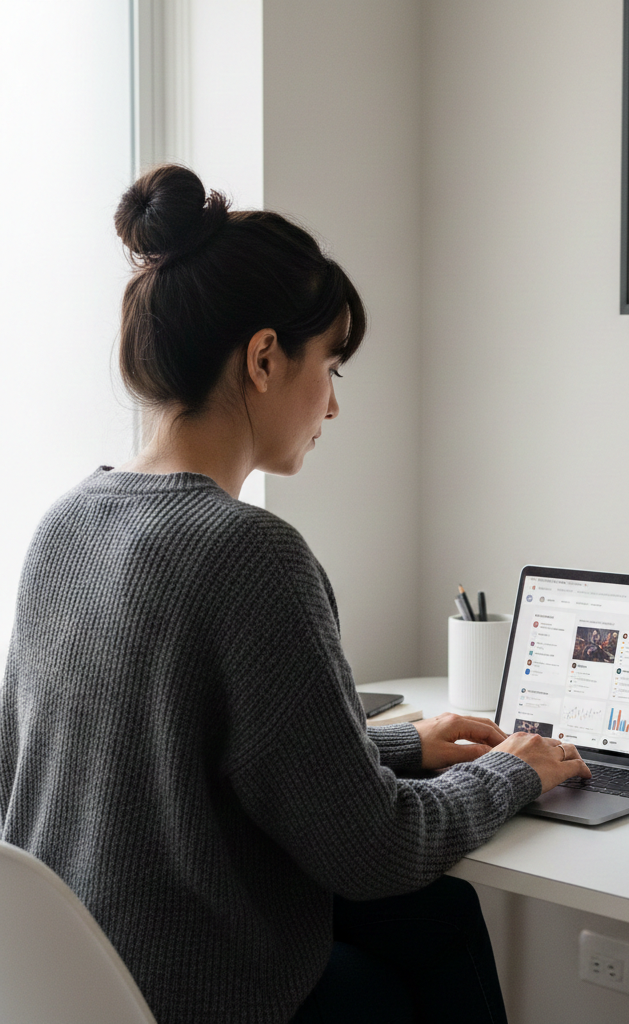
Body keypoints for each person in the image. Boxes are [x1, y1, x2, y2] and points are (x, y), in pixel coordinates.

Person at [0, 164, 590, 1024]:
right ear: (266, 357)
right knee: (420, 928)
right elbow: (377, 850)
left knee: (433, 919)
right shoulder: (249, 553)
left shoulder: (67, 524)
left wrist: (396, 748)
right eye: (333, 366)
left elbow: (158, 761)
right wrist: (511, 772)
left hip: (72, 984)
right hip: (192, 996)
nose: (334, 407)